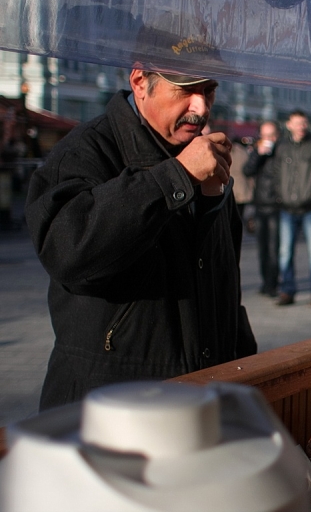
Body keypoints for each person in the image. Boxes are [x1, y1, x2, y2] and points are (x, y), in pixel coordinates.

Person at [26, 67, 257, 410]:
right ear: (140, 83)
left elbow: (224, 282)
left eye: (209, 90)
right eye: (185, 90)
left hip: (202, 404)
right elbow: (68, 252)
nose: (201, 107)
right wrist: (177, 176)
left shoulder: (205, 156)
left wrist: (243, 367)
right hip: (109, 408)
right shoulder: (85, 151)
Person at [273, 110, 311, 306]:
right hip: (287, 208)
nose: (301, 127)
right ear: (289, 125)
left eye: (304, 123)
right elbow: (275, 172)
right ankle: (287, 291)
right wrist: (280, 192)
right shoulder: (282, 147)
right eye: (298, 123)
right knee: (285, 252)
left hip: (310, 208)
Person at [243, 120, 281, 297]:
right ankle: (266, 282)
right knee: (262, 247)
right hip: (260, 204)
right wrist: (258, 155)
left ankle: (273, 284)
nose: (269, 139)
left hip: (277, 205)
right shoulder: (257, 152)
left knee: (274, 248)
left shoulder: (282, 151)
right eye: (265, 135)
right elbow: (247, 170)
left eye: (271, 135)